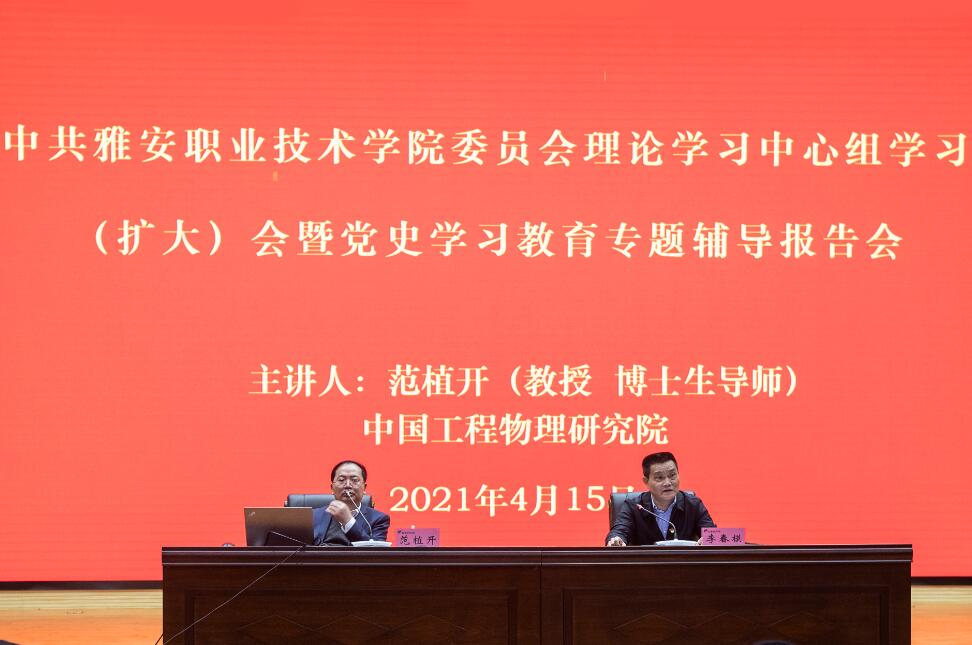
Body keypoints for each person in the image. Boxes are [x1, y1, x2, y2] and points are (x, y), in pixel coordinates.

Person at [605, 451, 715, 546]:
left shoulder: (693, 504)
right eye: (659, 478)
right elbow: (619, 532)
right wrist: (616, 540)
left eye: (672, 475)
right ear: (646, 482)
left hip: (684, 563)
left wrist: (710, 540)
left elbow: (714, 534)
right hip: (645, 564)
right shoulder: (634, 507)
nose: (667, 483)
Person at [313, 460, 390, 545]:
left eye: (354, 480)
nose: (347, 485)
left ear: (364, 488)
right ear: (332, 488)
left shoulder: (378, 519)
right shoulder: (313, 516)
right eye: (341, 480)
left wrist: (348, 521)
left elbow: (375, 551)